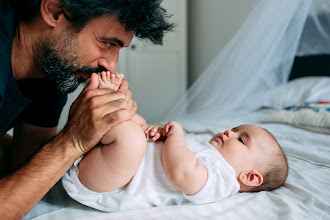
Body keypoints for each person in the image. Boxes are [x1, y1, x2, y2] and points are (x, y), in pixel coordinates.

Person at [0, 0, 173, 218]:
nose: (111, 66)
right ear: (55, 11)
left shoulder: (52, 70)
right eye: (108, 43)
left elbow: (27, 167)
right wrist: (73, 140)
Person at [62, 72, 289, 212]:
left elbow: (181, 173)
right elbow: (164, 156)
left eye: (240, 140)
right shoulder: (209, 153)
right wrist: (158, 134)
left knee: (131, 138)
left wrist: (176, 137)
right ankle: (107, 108)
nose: (228, 133)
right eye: (233, 129)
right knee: (137, 124)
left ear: (249, 177)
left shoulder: (223, 181)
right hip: (114, 165)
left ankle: (107, 106)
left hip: (108, 185)